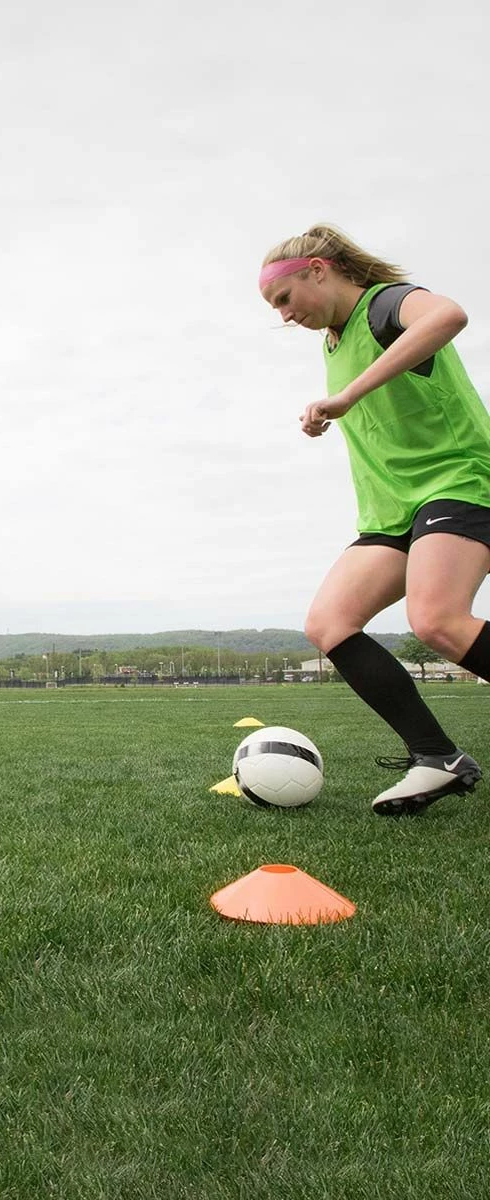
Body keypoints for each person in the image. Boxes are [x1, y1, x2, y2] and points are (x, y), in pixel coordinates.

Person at [260, 224, 490, 815]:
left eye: (284, 299)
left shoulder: (386, 303)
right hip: (391, 511)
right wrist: (328, 412)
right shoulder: (332, 343)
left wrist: (348, 396)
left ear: (317, 269)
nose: (284, 317)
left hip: (457, 483)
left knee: (438, 621)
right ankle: (436, 756)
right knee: (329, 623)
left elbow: (449, 316)